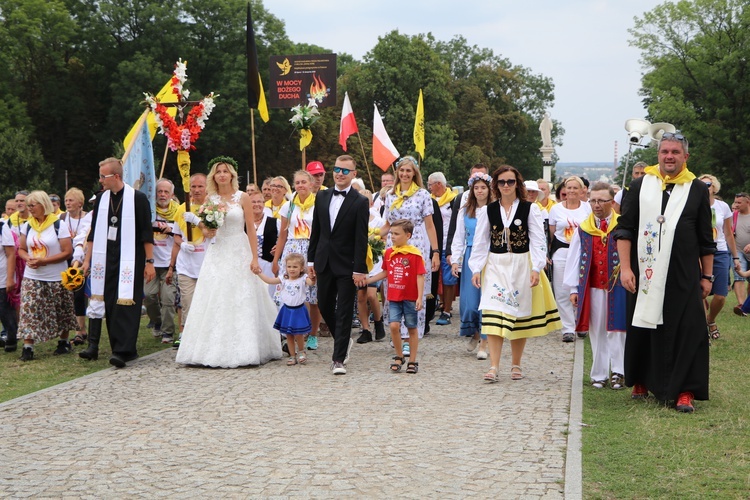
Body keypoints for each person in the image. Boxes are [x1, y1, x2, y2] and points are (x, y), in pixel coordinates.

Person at [614, 132, 714, 413]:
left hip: (682, 274)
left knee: (688, 330)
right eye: (664, 151)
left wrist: (707, 277)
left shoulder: (696, 190)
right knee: (644, 325)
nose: (669, 156)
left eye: (675, 152)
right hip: (644, 272)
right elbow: (624, 230)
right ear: (658, 155)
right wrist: (625, 268)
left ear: (686, 156)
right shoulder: (639, 185)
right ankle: (642, 381)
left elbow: (705, 239)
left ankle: (685, 390)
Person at [175, 157, 281, 368]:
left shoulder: (242, 197)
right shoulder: (210, 199)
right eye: (218, 171)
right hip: (218, 251)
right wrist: (207, 229)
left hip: (238, 248)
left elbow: (250, 228)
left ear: (232, 175)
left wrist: (253, 257)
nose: (222, 174)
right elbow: (205, 231)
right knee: (215, 296)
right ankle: (209, 348)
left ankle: (248, 347)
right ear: (213, 176)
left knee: (241, 295)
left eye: (225, 171)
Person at [469, 166, 561, 383]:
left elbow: (538, 240)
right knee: (493, 313)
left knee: (518, 315)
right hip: (495, 264)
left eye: (510, 181)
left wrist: (536, 268)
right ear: (496, 185)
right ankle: (494, 366)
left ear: (517, 184)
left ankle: (516, 363)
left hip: (521, 264)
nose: (506, 186)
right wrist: (476, 268)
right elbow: (481, 242)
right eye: (502, 182)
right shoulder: (488, 211)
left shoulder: (530, 209)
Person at [82, 157, 155, 367]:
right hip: (106, 259)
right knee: (112, 303)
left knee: (127, 303)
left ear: (116, 176)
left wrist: (149, 261)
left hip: (131, 260)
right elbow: (93, 233)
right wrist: (87, 260)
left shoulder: (138, 199)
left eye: (103, 177)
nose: (100, 181)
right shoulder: (102, 199)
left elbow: (145, 233)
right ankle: (117, 347)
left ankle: (125, 350)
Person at [308, 155, 370, 376]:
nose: (340, 174)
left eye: (345, 171)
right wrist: (310, 260)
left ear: (354, 174)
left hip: (347, 265)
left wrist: (359, 268)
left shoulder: (360, 202)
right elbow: (316, 231)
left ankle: (338, 359)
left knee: (344, 311)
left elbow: (362, 238)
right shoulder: (322, 196)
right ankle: (343, 340)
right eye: (337, 169)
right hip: (324, 261)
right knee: (324, 304)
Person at [564, 182, 627, 389]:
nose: (597, 205)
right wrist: (574, 288)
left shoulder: (622, 225)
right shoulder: (584, 228)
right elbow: (574, 258)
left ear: (612, 202)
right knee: (597, 329)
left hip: (618, 285)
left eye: (601, 200)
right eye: (593, 200)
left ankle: (619, 371)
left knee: (617, 329)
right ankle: (599, 373)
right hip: (593, 285)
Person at [380, 156, 440, 348]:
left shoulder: (422, 195)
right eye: (402, 170)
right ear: (397, 173)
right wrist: (371, 238)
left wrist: (435, 251)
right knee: (394, 287)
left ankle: (409, 336)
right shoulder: (390, 195)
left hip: (415, 245)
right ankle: (396, 331)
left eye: (409, 170)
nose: (405, 174)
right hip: (395, 245)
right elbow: (387, 224)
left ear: (414, 173)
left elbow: (430, 226)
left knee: (413, 289)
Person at [17, 191, 78, 361]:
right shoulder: (28, 225)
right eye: (28, 205)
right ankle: (28, 346)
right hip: (32, 275)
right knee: (29, 309)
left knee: (61, 309)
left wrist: (44, 261)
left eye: (32, 205)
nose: (30, 209)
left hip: (56, 276)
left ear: (43, 205)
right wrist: (27, 257)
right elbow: (21, 248)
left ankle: (64, 341)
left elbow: (67, 252)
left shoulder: (58, 224)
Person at [367, 219, 426, 373]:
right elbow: (385, 272)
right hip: (394, 296)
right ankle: (399, 355)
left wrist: (420, 297)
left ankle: (412, 360)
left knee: (412, 328)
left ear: (408, 235)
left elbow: (420, 276)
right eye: (391, 233)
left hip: (410, 297)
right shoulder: (389, 253)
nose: (392, 236)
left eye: (396, 234)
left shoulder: (415, 255)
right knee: (394, 326)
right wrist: (368, 280)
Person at [273, 170, 321, 351]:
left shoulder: (318, 203)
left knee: (312, 295)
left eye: (304, 182)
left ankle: (313, 335)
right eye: (298, 183)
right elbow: (282, 234)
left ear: (311, 184)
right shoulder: (289, 205)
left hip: (311, 248)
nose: (301, 185)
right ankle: (289, 334)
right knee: (286, 292)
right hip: (292, 249)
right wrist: (276, 259)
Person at [450, 171, 493, 360]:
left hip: (490, 257)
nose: (480, 191)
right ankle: (475, 332)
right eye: (476, 188)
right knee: (470, 303)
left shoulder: (495, 210)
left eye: (483, 187)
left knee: (487, 300)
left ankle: (484, 341)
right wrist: (455, 260)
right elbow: (459, 237)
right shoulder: (465, 211)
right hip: (469, 255)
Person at [548, 176, 592, 342]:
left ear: (581, 190)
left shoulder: (587, 208)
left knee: (581, 289)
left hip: (583, 253)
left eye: (575, 188)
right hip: (561, 252)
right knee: (562, 290)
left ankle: (581, 323)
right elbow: (552, 233)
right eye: (569, 188)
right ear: (564, 190)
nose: (572, 191)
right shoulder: (556, 209)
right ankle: (568, 328)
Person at [169, 173, 210, 348]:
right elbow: (176, 235)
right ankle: (186, 334)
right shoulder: (182, 208)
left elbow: (213, 233)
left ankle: (205, 334)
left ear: (207, 187)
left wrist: (197, 221)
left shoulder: (212, 208)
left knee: (206, 301)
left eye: (200, 186)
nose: (197, 190)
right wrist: (183, 244)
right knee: (187, 301)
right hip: (187, 264)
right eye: (193, 186)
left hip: (207, 263)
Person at [698, 174, 740, 340]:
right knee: (700, 292)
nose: (705, 187)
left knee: (721, 295)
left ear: (714, 187)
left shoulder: (722, 206)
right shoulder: (692, 205)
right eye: (701, 185)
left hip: (720, 251)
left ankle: (711, 320)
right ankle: (702, 327)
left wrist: (735, 257)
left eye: (708, 184)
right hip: (698, 252)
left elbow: (729, 233)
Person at [255, 253, 313, 366]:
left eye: (295, 267)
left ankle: (301, 352)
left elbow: (311, 283)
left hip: (299, 310)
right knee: (289, 335)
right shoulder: (284, 279)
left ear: (301, 268)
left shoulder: (303, 279)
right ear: (285, 267)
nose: (291, 269)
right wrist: (259, 274)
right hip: (287, 310)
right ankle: (292, 355)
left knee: (299, 334)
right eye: (289, 266)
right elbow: (270, 281)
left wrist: (313, 277)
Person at [145, 179, 179, 344]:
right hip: (151, 263)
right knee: (149, 295)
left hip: (169, 264)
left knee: (167, 299)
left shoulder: (178, 212)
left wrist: (172, 230)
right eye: (160, 191)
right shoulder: (149, 211)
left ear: (172, 194)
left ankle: (167, 332)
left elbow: (185, 234)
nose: (163, 195)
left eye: (166, 192)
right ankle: (156, 321)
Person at [355, 189, 386, 344]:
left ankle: (378, 321)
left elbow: (385, 239)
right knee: (360, 296)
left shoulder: (378, 221)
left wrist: (375, 243)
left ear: (372, 203)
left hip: (374, 262)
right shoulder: (353, 219)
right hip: (360, 262)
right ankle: (365, 328)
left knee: (371, 295)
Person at [427, 172, 457, 326]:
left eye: (430, 184)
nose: (429, 187)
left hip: (447, 242)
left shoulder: (453, 200)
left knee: (448, 278)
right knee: (431, 278)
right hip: (433, 244)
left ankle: (447, 310)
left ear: (438, 184)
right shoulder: (428, 200)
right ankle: (430, 308)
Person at [61, 188, 90, 345]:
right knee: (68, 295)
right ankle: (67, 328)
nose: (68, 203)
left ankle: (81, 330)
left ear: (80, 202)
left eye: (71, 200)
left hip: (83, 259)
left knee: (79, 295)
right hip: (65, 259)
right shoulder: (62, 218)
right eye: (66, 200)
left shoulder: (88, 218)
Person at [248, 191, 280, 300]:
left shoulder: (274, 222)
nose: (256, 204)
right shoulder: (243, 223)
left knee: (268, 296)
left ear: (263, 203)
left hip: (268, 265)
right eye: (253, 202)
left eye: (259, 201)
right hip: (248, 265)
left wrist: (279, 247)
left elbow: (285, 238)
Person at [0, 206, 18, 353]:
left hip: (2, 277)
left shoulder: (2, 227)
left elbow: (11, 254)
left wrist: (10, 278)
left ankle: (11, 338)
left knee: (5, 310)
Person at [732, 192, 750, 310]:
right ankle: (741, 305)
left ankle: (747, 305)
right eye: (735, 202)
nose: (736, 205)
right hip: (738, 251)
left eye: (739, 202)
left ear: (747, 202)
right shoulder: (733, 215)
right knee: (738, 276)